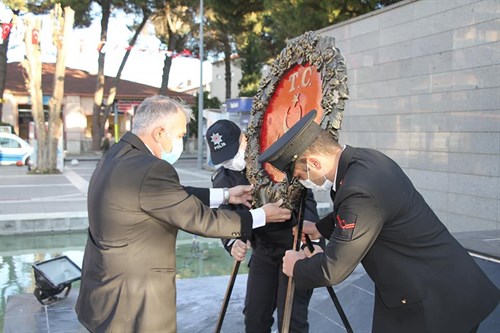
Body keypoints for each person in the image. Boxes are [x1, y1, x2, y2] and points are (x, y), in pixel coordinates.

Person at [258, 110, 500, 333]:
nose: (302, 181)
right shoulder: (364, 161)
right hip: (436, 283)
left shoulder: (358, 190)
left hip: (436, 302)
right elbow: (362, 213)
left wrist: (296, 266)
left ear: (314, 163)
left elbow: (334, 268)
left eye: (300, 175)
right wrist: (318, 228)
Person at [75, 95, 291, 333]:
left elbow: (170, 195)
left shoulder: (119, 153)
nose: (180, 141)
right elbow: (200, 219)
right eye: (179, 135)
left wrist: (226, 195)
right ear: (159, 133)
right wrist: (261, 216)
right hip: (133, 299)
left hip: (104, 288)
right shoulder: (151, 169)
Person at [206, 120, 323, 333]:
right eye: (225, 159)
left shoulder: (274, 156)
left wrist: (311, 237)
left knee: (291, 321)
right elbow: (223, 216)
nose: (231, 162)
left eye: (233, 153)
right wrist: (232, 242)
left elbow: (305, 197)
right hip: (264, 251)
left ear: (244, 138)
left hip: (295, 245)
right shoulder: (223, 178)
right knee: (254, 318)